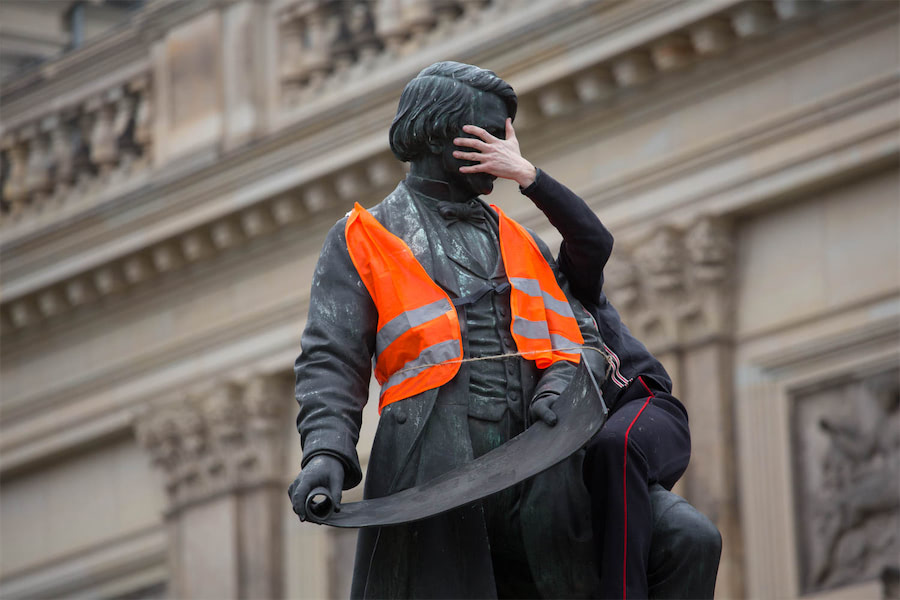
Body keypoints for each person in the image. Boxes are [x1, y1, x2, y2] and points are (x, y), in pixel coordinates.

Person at [289, 61, 606, 599]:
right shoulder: (363, 237)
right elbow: (331, 360)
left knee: (679, 541)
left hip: (539, 463)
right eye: (491, 131)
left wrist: (559, 384)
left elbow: (585, 338)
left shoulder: (520, 239)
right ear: (439, 134)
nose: (506, 146)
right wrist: (325, 453)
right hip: (432, 468)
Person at [451, 117, 721, 599]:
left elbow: (594, 241)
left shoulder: (559, 285)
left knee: (614, 448)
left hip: (641, 411)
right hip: (576, 450)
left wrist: (527, 176)